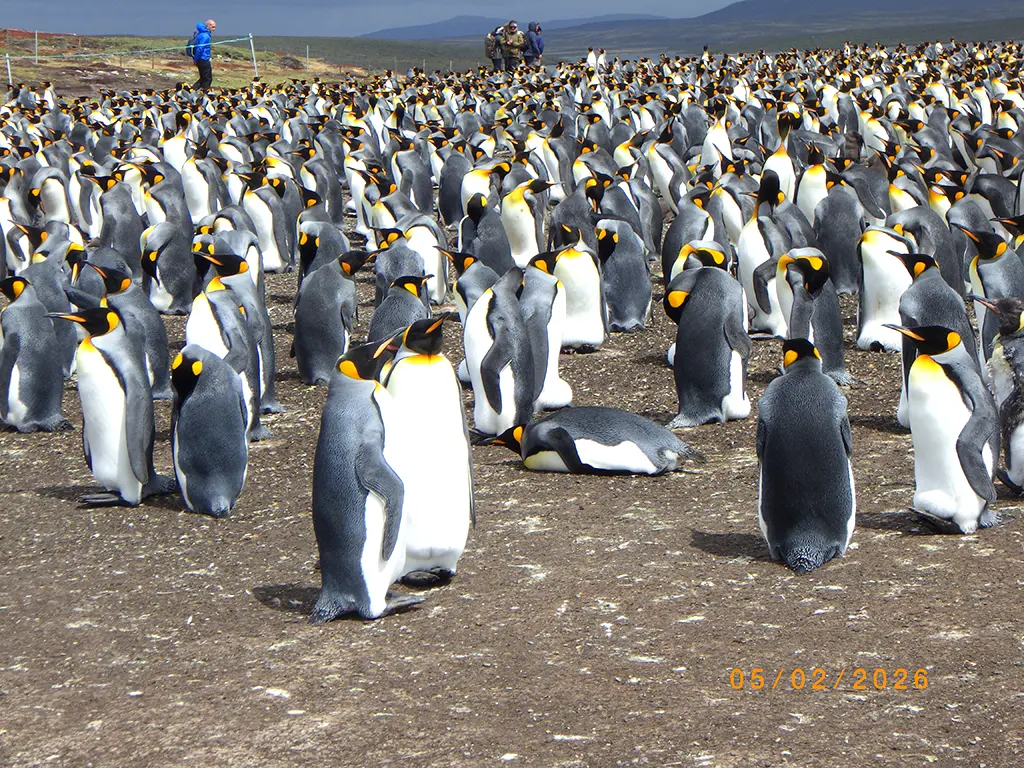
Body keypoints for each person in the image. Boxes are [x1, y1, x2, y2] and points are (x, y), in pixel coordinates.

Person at [192, 19, 216, 90]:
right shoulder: (205, 36)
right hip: (203, 59)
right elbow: (200, 48)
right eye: (213, 27)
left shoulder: (200, 34)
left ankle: (192, 90)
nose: (214, 29)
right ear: (208, 26)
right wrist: (195, 60)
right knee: (208, 79)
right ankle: (204, 93)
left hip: (200, 59)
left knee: (203, 78)